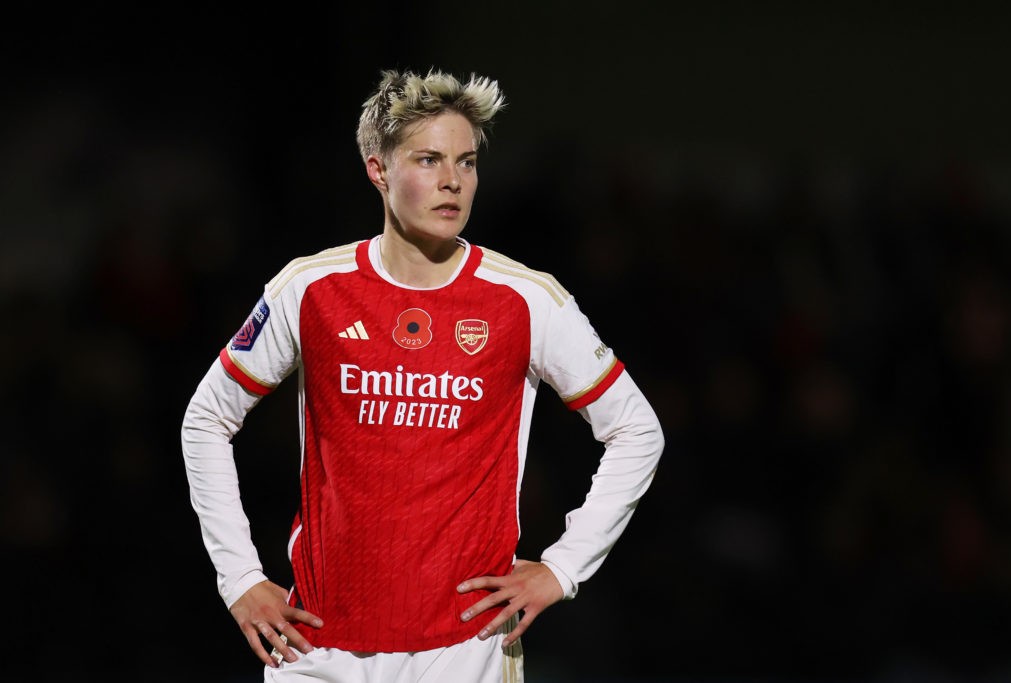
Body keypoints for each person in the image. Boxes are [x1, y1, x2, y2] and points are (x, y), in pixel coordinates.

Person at [181, 68, 664, 682]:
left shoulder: (525, 300)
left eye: (466, 162)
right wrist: (240, 578)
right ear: (378, 169)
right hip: (317, 651)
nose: (452, 181)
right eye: (429, 159)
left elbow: (638, 431)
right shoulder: (310, 290)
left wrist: (563, 567)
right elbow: (206, 419)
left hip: (465, 651)